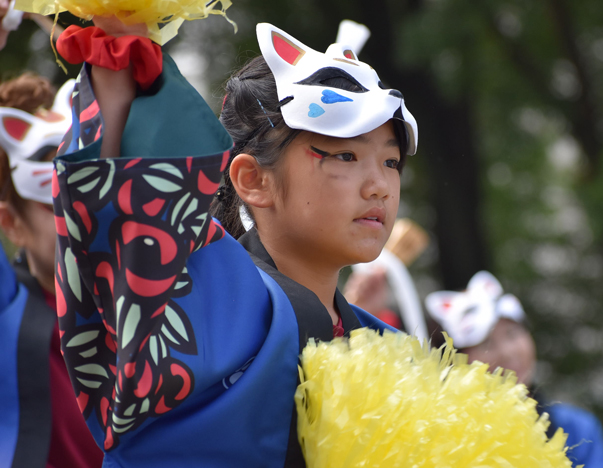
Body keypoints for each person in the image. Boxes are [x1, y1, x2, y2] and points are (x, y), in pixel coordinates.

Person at [51, 15, 417, 467]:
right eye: (346, 155)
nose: (379, 185)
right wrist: (119, 60)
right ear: (253, 180)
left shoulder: (398, 352)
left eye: (392, 161)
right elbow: (123, 208)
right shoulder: (198, 301)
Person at [0, 73, 104, 467]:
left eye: (93, 198)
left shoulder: (152, 307)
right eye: (56, 207)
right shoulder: (7, 317)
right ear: (11, 224)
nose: (81, 221)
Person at [425, 271, 603, 468]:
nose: (508, 352)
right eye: (486, 343)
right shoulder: (439, 440)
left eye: (512, 334)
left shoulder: (576, 429)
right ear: (454, 361)